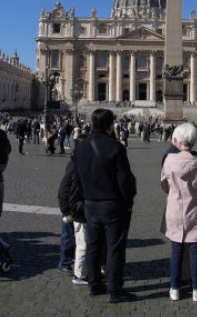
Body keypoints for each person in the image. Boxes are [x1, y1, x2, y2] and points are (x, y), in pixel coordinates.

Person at [72, 108, 138, 303]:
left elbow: (77, 180)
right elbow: (125, 179)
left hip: (90, 204)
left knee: (93, 246)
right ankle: (115, 290)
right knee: (114, 248)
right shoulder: (116, 147)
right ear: (111, 126)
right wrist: (128, 201)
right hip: (113, 205)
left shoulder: (80, 148)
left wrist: (86, 199)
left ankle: (94, 285)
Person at [160, 122, 197, 302]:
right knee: (195, 249)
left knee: (176, 249)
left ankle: (174, 288)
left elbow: (163, 184)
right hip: (195, 208)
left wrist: (173, 192)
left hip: (175, 208)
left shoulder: (169, 160)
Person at [58, 151, 88, 287]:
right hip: (71, 209)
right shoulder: (74, 167)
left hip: (75, 208)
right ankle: (64, 263)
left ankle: (74, 263)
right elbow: (63, 190)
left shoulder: (77, 165)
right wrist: (66, 211)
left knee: (75, 238)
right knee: (69, 237)